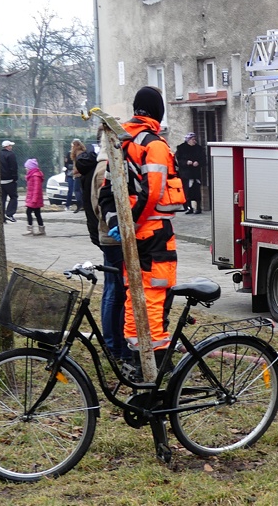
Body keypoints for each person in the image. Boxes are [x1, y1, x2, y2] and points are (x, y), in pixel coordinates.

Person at [99, 86, 182, 372]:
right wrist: (131, 226)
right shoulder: (154, 144)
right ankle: (158, 367)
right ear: (157, 111)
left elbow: (106, 193)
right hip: (154, 234)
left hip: (132, 236)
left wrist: (117, 225)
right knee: (156, 296)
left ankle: (138, 360)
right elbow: (154, 193)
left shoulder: (119, 143)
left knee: (135, 297)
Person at [76, 145, 127, 362]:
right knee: (116, 293)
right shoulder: (105, 167)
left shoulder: (103, 164)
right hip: (112, 238)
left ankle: (114, 344)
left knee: (113, 291)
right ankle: (115, 345)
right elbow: (102, 205)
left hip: (108, 237)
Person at [175, 132, 205, 214]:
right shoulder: (181, 148)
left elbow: (203, 159)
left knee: (197, 191)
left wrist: (198, 162)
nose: (194, 141)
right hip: (186, 174)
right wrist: (186, 162)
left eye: (195, 139)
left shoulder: (198, 148)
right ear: (188, 140)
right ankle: (189, 208)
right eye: (192, 139)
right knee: (187, 191)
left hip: (195, 173)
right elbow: (178, 160)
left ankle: (198, 208)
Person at [21, 158, 45, 236]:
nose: (26, 169)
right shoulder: (32, 175)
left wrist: (34, 199)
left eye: (27, 167)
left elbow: (36, 189)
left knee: (29, 212)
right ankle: (41, 228)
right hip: (33, 199)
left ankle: (30, 228)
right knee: (37, 213)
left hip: (34, 199)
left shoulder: (35, 176)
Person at [0, 140, 18, 223]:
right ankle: (9, 213)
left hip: (0, 180)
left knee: (2, 199)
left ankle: (1, 217)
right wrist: (15, 177)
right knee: (14, 197)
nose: (11, 147)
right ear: (7, 147)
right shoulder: (11, 155)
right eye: (10, 145)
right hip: (9, 180)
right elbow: (14, 167)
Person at [69, 139, 87, 213]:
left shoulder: (78, 153)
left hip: (78, 174)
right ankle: (82, 204)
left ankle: (80, 204)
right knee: (81, 190)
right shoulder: (82, 152)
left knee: (77, 190)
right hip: (81, 174)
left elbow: (79, 164)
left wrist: (74, 171)